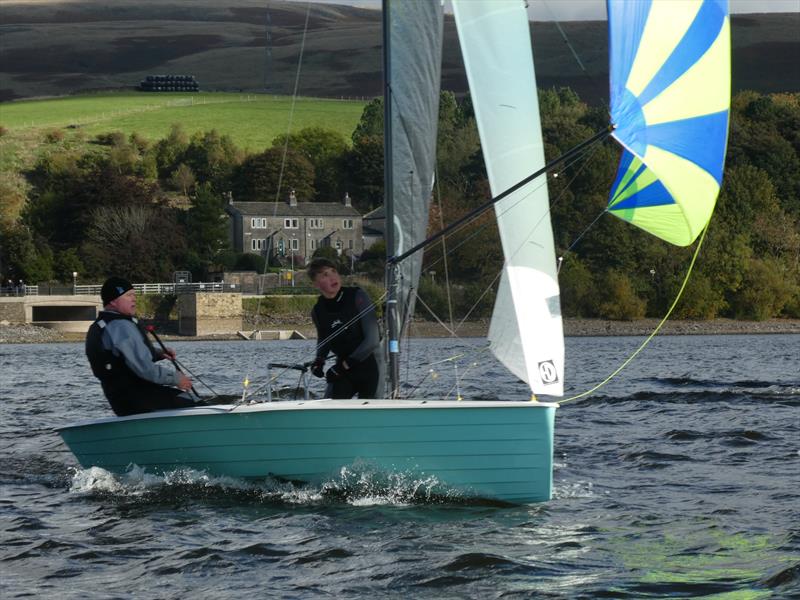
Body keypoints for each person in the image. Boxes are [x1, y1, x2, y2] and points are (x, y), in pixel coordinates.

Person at [85, 276, 195, 416]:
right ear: (113, 300)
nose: (134, 299)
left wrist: (157, 353)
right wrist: (176, 379)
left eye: (134, 295)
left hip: (122, 401)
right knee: (193, 401)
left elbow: (124, 355)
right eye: (128, 295)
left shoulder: (101, 326)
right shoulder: (121, 326)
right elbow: (144, 368)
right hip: (141, 398)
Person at [308, 258, 382, 399]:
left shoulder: (357, 296)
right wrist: (319, 360)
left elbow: (373, 339)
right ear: (316, 284)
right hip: (343, 370)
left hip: (368, 367)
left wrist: (344, 366)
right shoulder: (318, 310)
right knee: (328, 408)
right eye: (325, 275)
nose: (333, 277)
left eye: (334, 271)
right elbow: (324, 338)